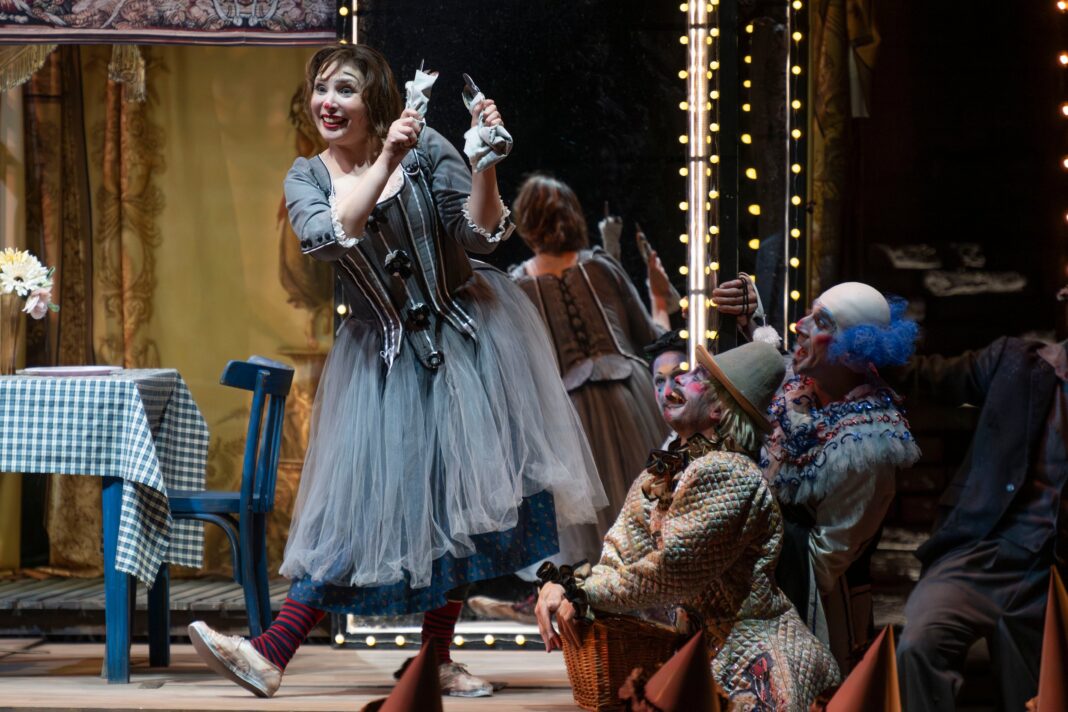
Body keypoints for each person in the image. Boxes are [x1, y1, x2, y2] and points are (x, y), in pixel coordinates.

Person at [186, 44, 605, 699]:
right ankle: (272, 652)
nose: (328, 102)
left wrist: (484, 164)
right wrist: (386, 159)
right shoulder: (307, 177)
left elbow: (480, 235)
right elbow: (329, 237)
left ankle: (432, 658)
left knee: (460, 510)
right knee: (356, 513)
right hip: (384, 361)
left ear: (374, 99)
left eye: (345, 90)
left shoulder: (427, 147)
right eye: (321, 88)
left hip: (467, 343)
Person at [535, 339, 841, 710]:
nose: (677, 381)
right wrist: (566, 587)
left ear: (718, 410)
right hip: (686, 649)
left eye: (696, 377)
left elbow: (670, 570)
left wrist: (583, 591)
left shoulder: (730, 474)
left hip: (745, 653)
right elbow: (619, 556)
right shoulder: (661, 475)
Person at [887, 333, 1068, 712]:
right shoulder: (1017, 360)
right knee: (919, 645)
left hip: (1049, 575)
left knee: (1042, 697)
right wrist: (856, 347)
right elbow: (927, 376)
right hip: (977, 551)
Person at [760, 282, 921, 673]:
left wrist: (747, 541)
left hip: (807, 612)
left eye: (821, 322)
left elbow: (823, 563)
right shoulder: (795, 385)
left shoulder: (867, 444)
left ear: (853, 350)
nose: (799, 326)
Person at [509, 175, 673, 552]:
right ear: (573, 216)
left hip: (567, 420)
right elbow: (651, 338)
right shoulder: (602, 267)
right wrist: (660, 299)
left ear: (525, 222)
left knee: (595, 549)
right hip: (629, 400)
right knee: (649, 524)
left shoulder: (517, 288)